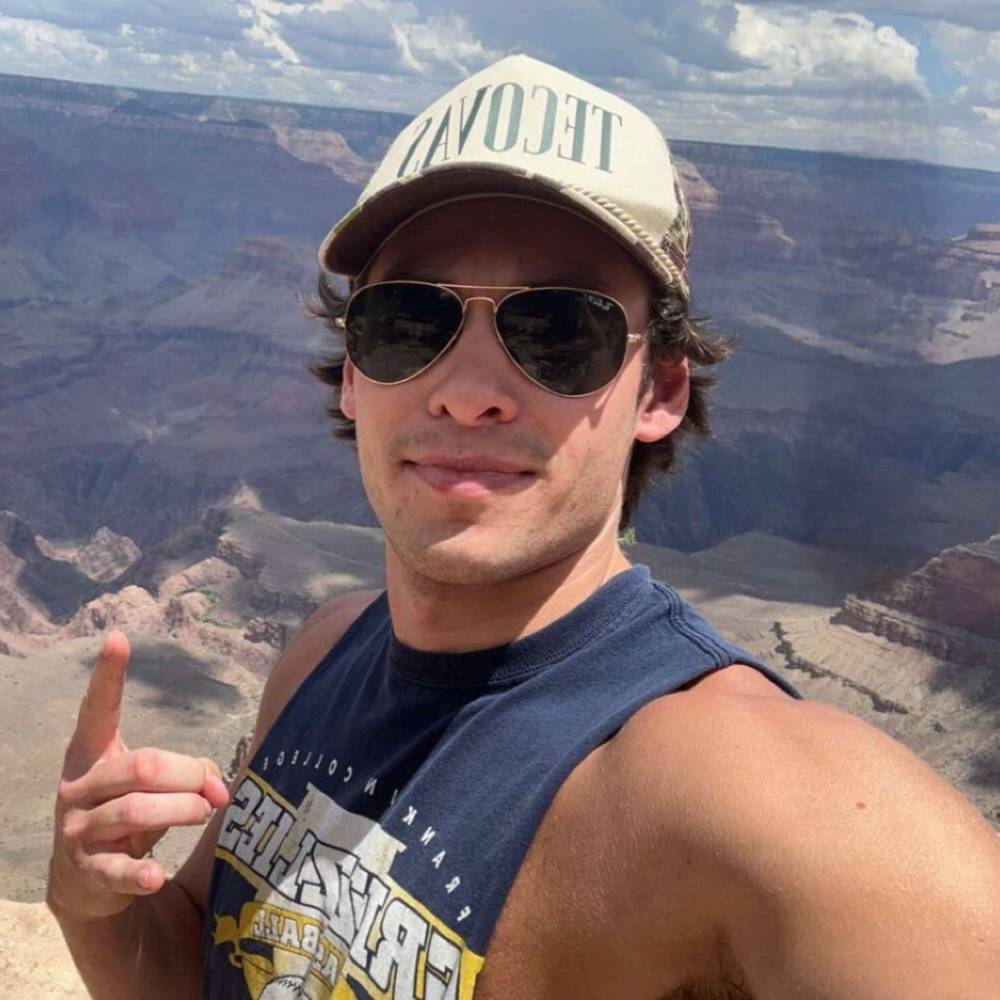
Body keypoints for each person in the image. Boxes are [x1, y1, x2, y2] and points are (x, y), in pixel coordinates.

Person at [47, 54, 999, 1000]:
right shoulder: (319, 657)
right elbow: (197, 969)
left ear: (660, 390)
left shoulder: (742, 797)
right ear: (351, 372)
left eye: (557, 332)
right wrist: (99, 908)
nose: (466, 394)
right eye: (407, 323)